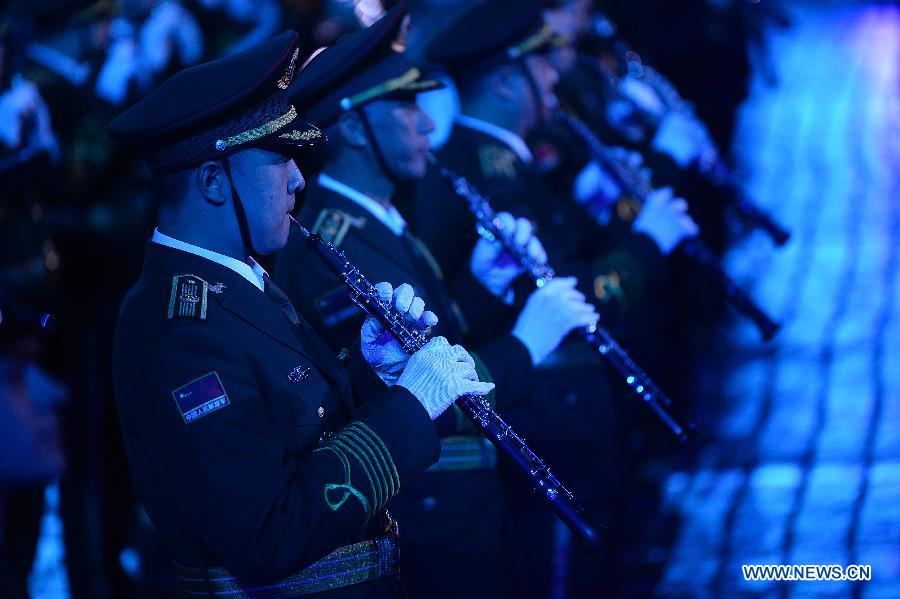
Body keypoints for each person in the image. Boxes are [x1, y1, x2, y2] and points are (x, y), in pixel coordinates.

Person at [108, 30, 494, 597]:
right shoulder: (178, 330)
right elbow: (268, 533)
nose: (298, 179)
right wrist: (409, 407)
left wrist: (374, 373)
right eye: (277, 160)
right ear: (214, 182)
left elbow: (300, 428)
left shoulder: (238, 282)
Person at [273, 7, 599, 598]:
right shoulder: (333, 245)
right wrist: (529, 343)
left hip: (457, 502)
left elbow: (438, 339)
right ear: (351, 129)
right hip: (426, 513)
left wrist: (480, 285)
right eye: (406, 107)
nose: (427, 124)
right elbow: (409, 393)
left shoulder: (384, 222)